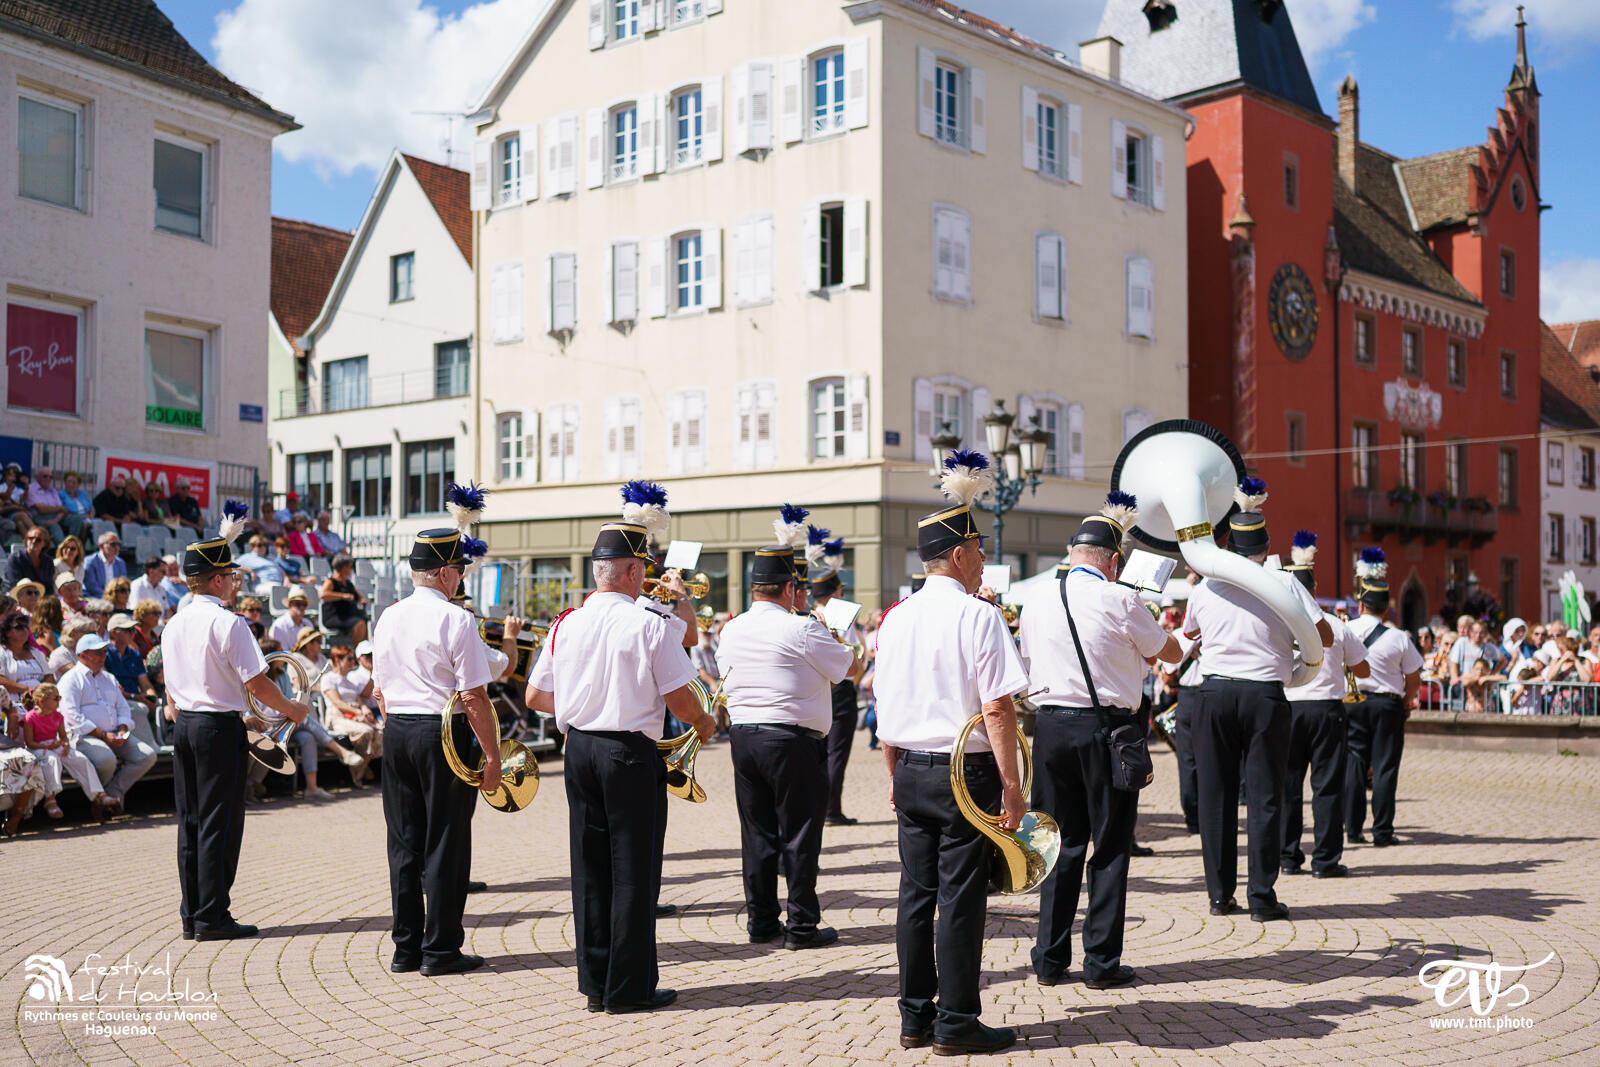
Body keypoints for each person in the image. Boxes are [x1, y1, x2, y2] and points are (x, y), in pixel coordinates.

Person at [525, 482, 715, 1012]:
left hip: (579, 749)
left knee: (589, 869)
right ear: (632, 570)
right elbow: (681, 700)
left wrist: (587, 698)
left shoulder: (567, 623)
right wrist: (704, 721)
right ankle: (629, 989)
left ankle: (595, 984)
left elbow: (536, 696)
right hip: (628, 754)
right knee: (633, 869)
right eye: (644, 567)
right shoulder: (650, 623)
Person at [873, 451, 1030, 1055]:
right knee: (960, 900)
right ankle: (957, 1022)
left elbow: (885, 710)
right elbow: (997, 709)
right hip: (967, 773)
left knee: (914, 898)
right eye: (981, 551)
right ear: (960, 554)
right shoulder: (977, 616)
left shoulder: (895, 618)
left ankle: (914, 1017)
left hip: (910, 766)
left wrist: (893, 774)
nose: (985, 561)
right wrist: (1014, 787)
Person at [1017, 493, 1180, 991]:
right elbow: (1167, 652)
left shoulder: (1038, 598)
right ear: (1112, 560)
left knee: (1056, 842)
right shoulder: (1121, 597)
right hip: (1106, 729)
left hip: (1049, 728)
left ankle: (1048, 957)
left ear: (1073, 555)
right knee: (1108, 846)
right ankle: (1101, 962)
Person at [1180, 479, 1333, 922]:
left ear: (1227, 546)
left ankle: (1218, 895)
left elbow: (1190, 633)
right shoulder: (1285, 583)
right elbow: (1321, 638)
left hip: (1214, 692)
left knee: (1216, 795)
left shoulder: (1204, 587)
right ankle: (1262, 897)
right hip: (1265, 693)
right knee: (1266, 795)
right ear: (1265, 547)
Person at [163, 505, 312, 940]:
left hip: (187, 724)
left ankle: (193, 914)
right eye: (229, 576)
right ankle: (213, 916)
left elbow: (171, 690)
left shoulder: (173, 623)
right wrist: (292, 709)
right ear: (216, 580)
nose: (234, 582)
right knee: (220, 823)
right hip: (217, 728)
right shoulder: (229, 623)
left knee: (190, 821)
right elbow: (258, 681)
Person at [371, 524, 505, 977]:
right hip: (441, 730)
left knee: (404, 842)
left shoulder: (388, 615)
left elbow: (379, 690)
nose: (461, 580)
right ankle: (441, 948)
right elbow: (473, 696)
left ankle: (406, 947)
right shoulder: (456, 618)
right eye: (460, 572)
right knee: (446, 841)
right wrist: (492, 755)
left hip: (399, 730)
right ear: (447, 573)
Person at [716, 544, 856, 950]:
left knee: (756, 833)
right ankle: (801, 926)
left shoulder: (733, 627)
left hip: (744, 738)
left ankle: (761, 921)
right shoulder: (802, 627)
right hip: (792, 741)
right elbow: (850, 668)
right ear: (789, 586)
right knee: (799, 834)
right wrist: (830, 631)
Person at [1280, 532, 1369, 880]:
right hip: (1327, 710)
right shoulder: (1335, 624)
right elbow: (1364, 669)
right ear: (1313, 590)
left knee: (1287, 785)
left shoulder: (1277, 623)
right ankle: (1325, 861)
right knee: (1327, 786)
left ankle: (1288, 858)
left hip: (1288, 708)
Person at [1345, 549, 1423, 848]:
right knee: (1385, 766)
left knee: (1353, 763)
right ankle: (1382, 830)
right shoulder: (1399, 636)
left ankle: (1352, 829)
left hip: (1352, 700)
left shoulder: (1347, 629)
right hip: (1388, 703)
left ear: (1361, 604)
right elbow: (1414, 676)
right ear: (1387, 609)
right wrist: (1408, 701)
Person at [806, 535, 868, 827]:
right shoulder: (842, 614)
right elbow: (856, 653)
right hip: (841, 689)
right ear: (836, 591)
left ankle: (820, 807)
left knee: (819, 752)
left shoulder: (805, 615)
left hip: (816, 690)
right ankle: (832, 809)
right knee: (837, 753)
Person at [60, 632, 158, 813]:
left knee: (147, 756)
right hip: (85, 736)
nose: (103, 656)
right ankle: (103, 799)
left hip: (114, 734)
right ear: (83, 655)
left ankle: (110, 794)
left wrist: (122, 729)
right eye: (98, 653)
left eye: (104, 652)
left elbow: (122, 708)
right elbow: (71, 716)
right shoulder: (70, 680)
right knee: (106, 760)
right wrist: (103, 734)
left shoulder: (109, 678)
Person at [23, 681, 111, 820]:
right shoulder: (30, 717)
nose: (59, 701)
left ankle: (98, 794)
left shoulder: (58, 716)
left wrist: (65, 745)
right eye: (56, 698)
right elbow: (29, 743)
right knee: (52, 760)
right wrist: (46, 747)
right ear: (42, 701)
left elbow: (63, 736)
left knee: (79, 758)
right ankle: (50, 799)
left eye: (59, 697)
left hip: (53, 745)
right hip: (38, 748)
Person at [1160, 573, 1206, 835]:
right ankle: (1211, 813)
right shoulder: (1222, 627)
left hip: (1189, 697)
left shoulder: (1181, 633)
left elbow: (1167, 673)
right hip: (1212, 694)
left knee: (1187, 760)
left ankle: (1193, 818)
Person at [320, 638, 383, 786]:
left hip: (353, 716)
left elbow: (360, 701)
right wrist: (359, 711)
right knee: (367, 731)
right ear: (337, 659)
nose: (352, 662)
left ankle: (360, 770)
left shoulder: (349, 681)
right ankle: (359, 772)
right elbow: (338, 703)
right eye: (349, 659)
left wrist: (364, 710)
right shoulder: (328, 678)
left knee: (380, 730)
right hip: (338, 717)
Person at [319, 554, 369, 643]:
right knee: (359, 623)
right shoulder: (331, 582)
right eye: (349, 567)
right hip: (335, 616)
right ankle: (358, 652)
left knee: (366, 622)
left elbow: (359, 597)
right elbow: (322, 595)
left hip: (348, 616)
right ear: (342, 567)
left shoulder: (348, 584)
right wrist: (342, 596)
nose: (351, 569)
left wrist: (362, 600)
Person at [25, 466, 70, 541]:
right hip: (39, 517)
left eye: (50, 477)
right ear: (37, 477)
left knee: (76, 520)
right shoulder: (31, 489)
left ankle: (74, 545)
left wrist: (56, 519)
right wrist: (58, 509)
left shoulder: (53, 490)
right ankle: (62, 549)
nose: (48, 479)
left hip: (55, 517)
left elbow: (63, 510)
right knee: (54, 526)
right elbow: (40, 509)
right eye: (45, 476)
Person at [4, 527, 55, 593]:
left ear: (44, 543)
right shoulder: (15, 558)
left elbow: (49, 586)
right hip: (15, 597)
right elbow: (14, 584)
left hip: (39, 597)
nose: (34, 541)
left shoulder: (48, 561)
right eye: (31, 538)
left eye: (38, 540)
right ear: (26, 540)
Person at [83, 531, 126, 598]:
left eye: (118, 544)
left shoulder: (120, 563)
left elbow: (123, 584)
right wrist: (109, 598)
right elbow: (92, 588)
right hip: (95, 599)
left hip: (114, 599)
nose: (117, 548)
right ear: (101, 546)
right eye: (113, 544)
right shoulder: (90, 562)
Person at [0, 463, 35, 542]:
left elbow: (23, 498)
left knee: (20, 524)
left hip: (16, 514)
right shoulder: (1, 487)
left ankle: (29, 543)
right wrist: (10, 487)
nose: (13, 477)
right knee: (22, 515)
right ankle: (39, 533)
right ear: (5, 476)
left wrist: (26, 485)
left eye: (14, 475)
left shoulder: (18, 489)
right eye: (10, 475)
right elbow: (6, 497)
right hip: (6, 514)